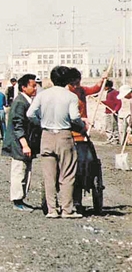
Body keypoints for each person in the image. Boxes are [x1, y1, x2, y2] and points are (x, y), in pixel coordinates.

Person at [27, 66, 86, 219]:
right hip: (64, 135)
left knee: (49, 175)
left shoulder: (42, 95)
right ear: (67, 80)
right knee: (67, 174)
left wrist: (40, 122)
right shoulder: (70, 97)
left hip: (46, 135)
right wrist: (81, 125)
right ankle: (67, 209)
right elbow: (74, 117)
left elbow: (30, 113)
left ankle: (52, 209)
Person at [1, 74, 41, 211]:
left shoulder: (27, 101)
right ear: (24, 87)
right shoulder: (20, 102)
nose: (35, 88)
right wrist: (24, 144)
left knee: (25, 170)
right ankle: (17, 200)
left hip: (25, 143)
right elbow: (17, 125)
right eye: (33, 86)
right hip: (19, 144)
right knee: (19, 171)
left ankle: (21, 199)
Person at [100, 80, 121, 144]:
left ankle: (115, 139)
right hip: (108, 112)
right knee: (108, 126)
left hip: (113, 112)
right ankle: (110, 138)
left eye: (105, 87)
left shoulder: (115, 92)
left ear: (108, 86)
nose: (104, 88)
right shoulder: (108, 93)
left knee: (114, 126)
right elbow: (109, 102)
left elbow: (119, 103)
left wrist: (116, 110)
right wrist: (102, 102)